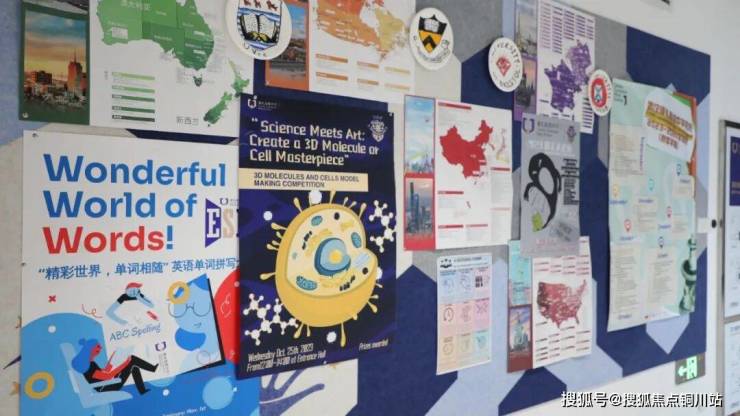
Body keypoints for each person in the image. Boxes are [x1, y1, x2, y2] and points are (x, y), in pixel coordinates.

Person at [71, 338, 158, 395]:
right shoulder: (89, 367)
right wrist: (125, 363)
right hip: (106, 387)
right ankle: (152, 369)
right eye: (98, 347)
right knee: (132, 360)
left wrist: (113, 358)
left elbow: (105, 371)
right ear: (90, 349)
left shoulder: (90, 363)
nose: (100, 348)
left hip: (107, 383)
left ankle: (142, 390)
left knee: (133, 365)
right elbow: (108, 376)